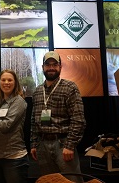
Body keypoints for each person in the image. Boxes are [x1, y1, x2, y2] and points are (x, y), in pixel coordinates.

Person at [30, 51, 86, 183]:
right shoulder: (37, 91)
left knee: (72, 181)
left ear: (60, 67)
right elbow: (33, 120)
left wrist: (70, 145)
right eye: (47, 64)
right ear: (42, 67)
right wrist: (33, 143)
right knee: (49, 181)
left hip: (62, 144)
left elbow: (78, 120)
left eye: (54, 64)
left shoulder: (70, 87)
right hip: (42, 145)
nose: (51, 67)